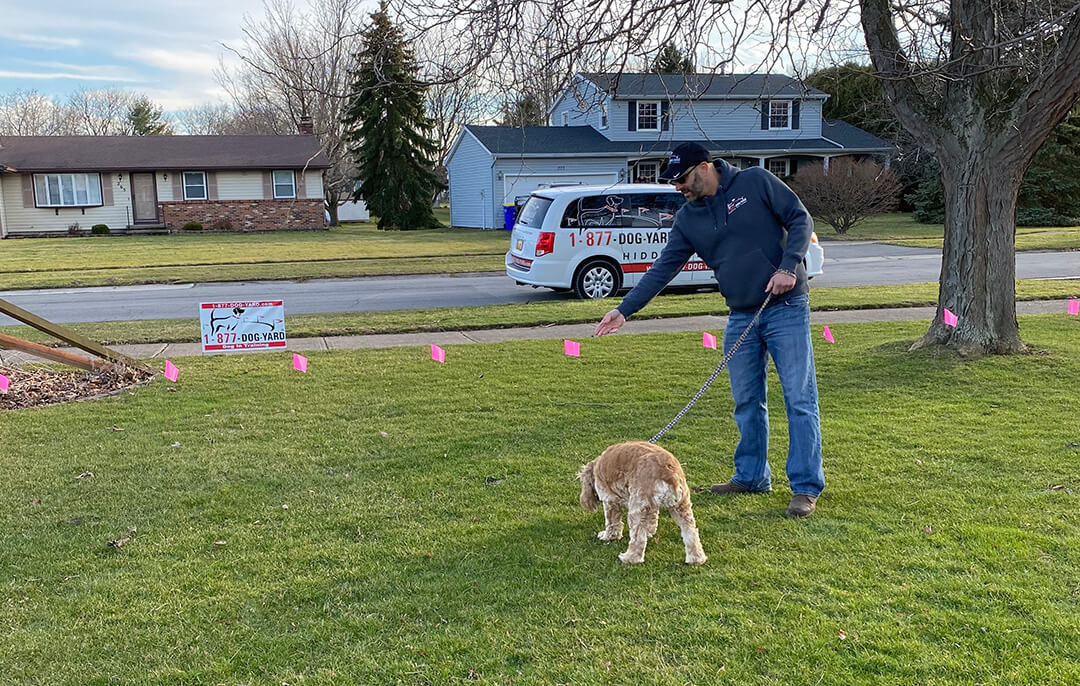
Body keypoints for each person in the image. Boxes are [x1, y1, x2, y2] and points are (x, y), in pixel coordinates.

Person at [593, 142, 824, 518]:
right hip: (740, 315)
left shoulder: (756, 182)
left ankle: (805, 487)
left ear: (704, 167)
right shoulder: (688, 219)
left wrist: (788, 266)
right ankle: (751, 476)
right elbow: (663, 268)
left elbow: (800, 219)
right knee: (747, 402)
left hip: (786, 307)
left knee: (799, 400)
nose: (678, 188)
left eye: (682, 179)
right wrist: (624, 310)